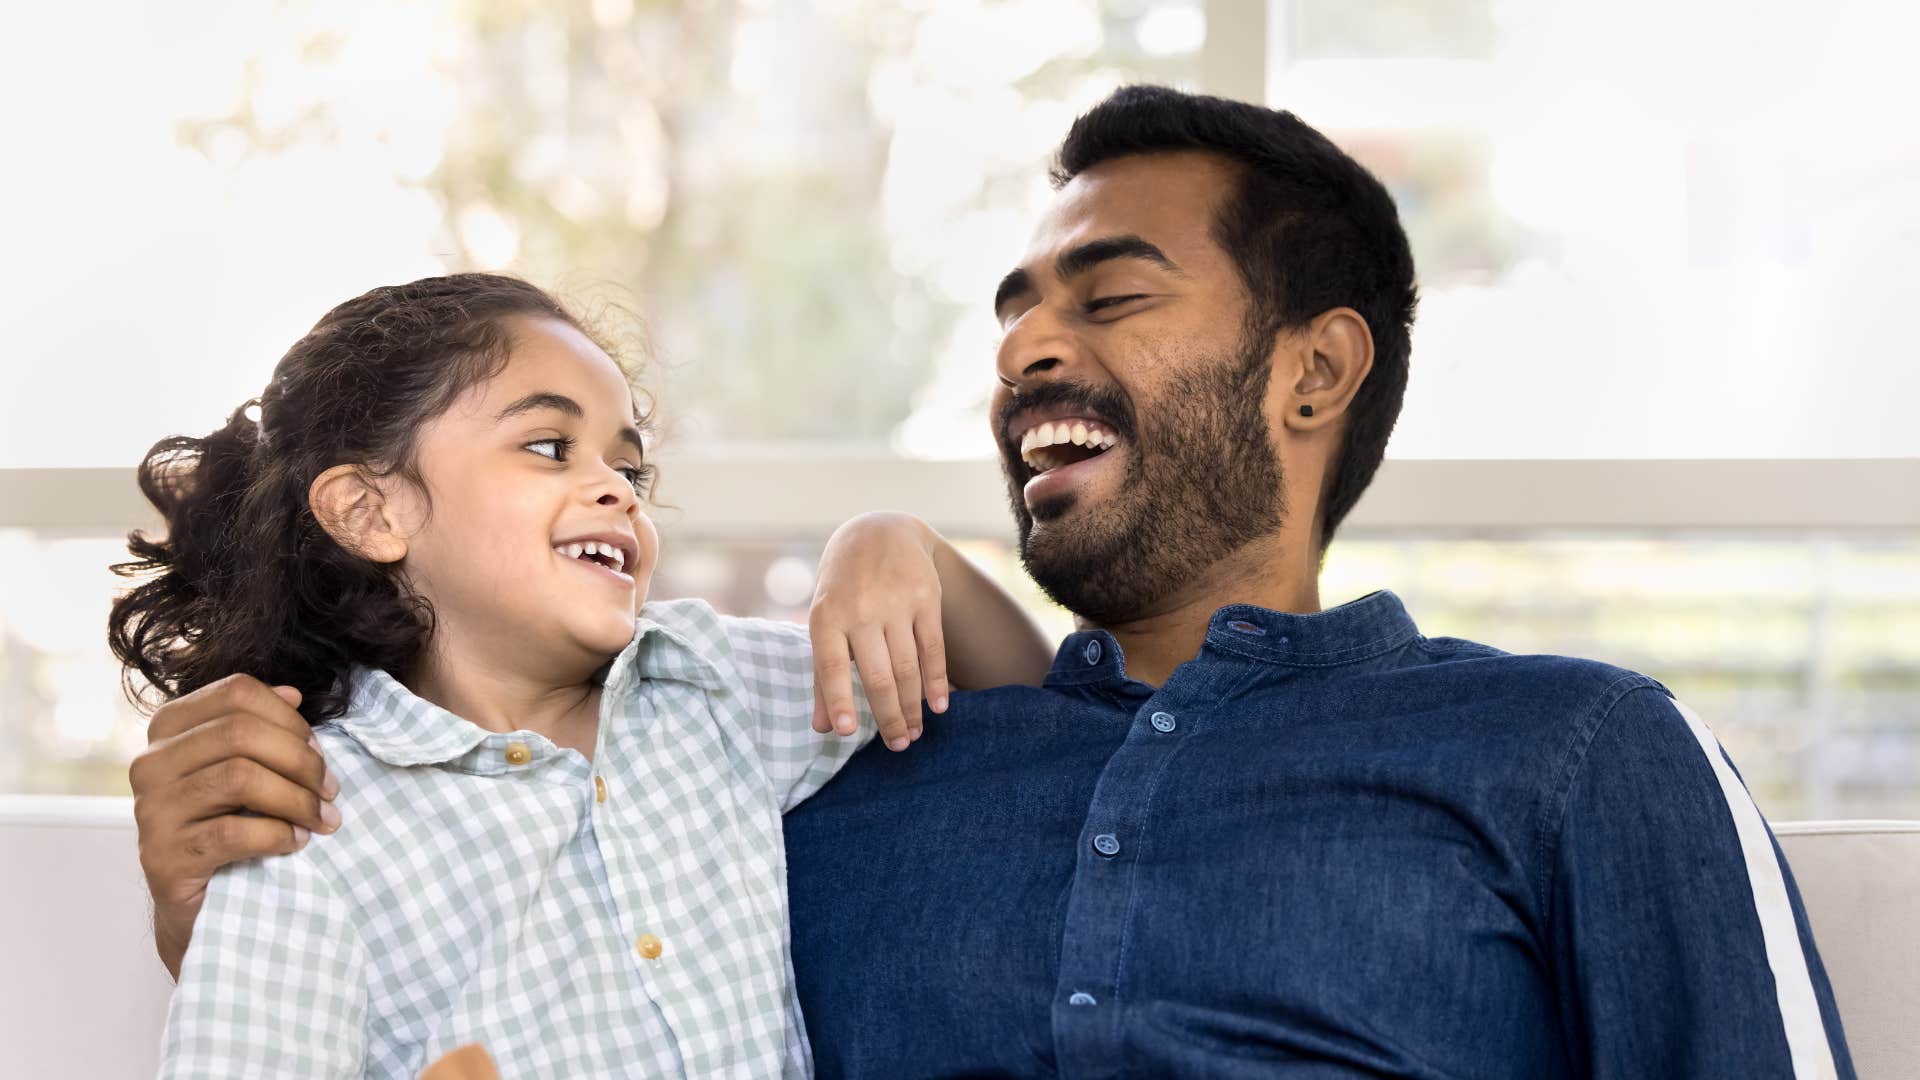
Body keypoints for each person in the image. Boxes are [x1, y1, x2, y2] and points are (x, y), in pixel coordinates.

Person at [129, 89, 1855, 1078]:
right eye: (1015, 313)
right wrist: (229, 880)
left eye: (1106, 299)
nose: (1031, 345)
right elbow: (530, 900)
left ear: (1313, 373)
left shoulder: (1570, 750)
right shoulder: (853, 761)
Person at [108, 273, 1049, 1077]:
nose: (612, 488)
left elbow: (1029, 707)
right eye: (550, 448)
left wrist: (904, 545)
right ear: (369, 511)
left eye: (629, 471)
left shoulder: (715, 687)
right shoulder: (308, 823)